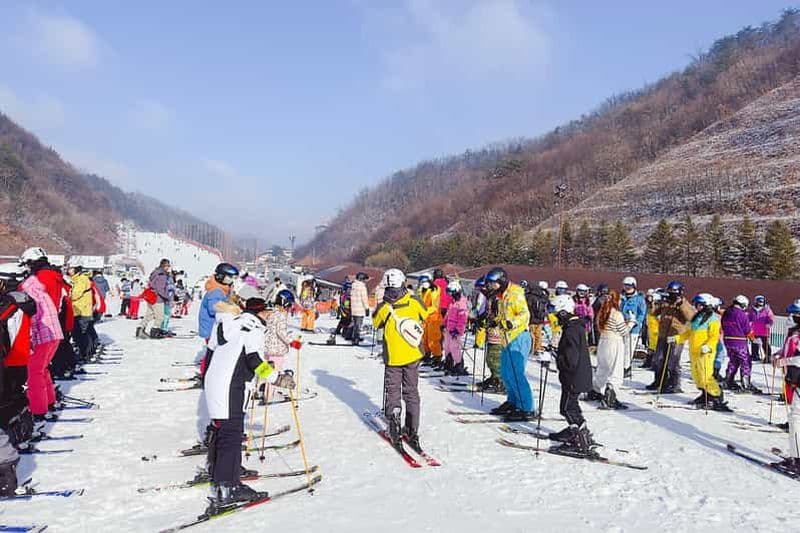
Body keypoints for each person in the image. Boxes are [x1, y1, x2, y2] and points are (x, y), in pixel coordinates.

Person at [204, 296, 296, 505]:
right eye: (268, 313)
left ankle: (221, 470)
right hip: (231, 385)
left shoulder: (229, 324)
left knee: (222, 429)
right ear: (260, 313)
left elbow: (210, 354)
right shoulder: (253, 328)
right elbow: (254, 360)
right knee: (231, 433)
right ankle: (228, 486)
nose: (269, 316)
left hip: (215, 381)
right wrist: (277, 378)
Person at [372, 269, 430, 450]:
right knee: (411, 392)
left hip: (393, 357)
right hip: (413, 353)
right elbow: (426, 315)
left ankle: (394, 430)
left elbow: (375, 323)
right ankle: (412, 430)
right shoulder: (414, 301)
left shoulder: (384, 307)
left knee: (393, 392)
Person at [18, 248, 64, 421]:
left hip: (44, 333)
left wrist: (29, 338)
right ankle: (49, 402)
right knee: (42, 369)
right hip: (54, 331)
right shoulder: (39, 284)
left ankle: (38, 410)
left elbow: (33, 316)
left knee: (33, 373)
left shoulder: (30, 288)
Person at [485, 268, 534, 422]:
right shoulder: (501, 296)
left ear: (502, 281)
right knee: (506, 373)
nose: (491, 286)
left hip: (518, 337)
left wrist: (511, 323)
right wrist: (495, 321)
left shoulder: (516, 293)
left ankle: (526, 408)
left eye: (493, 283)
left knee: (516, 374)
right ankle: (513, 402)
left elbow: (524, 314)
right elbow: (503, 315)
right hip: (506, 338)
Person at [549, 294, 595, 454]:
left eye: (557, 314)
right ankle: (578, 430)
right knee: (571, 406)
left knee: (567, 408)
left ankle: (579, 439)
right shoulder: (574, 326)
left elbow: (571, 358)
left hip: (574, 377)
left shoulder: (572, 330)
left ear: (563, 312)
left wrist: (558, 358)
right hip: (577, 375)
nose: (556, 317)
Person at [675, 293, 729, 411]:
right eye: (696, 305)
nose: (697, 307)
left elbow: (714, 336)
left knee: (705, 376)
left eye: (700, 305)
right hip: (694, 351)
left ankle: (716, 396)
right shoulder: (696, 318)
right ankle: (705, 394)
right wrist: (677, 339)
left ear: (706, 305)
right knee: (697, 376)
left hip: (705, 353)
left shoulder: (712, 319)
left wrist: (708, 346)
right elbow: (689, 333)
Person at [588, 289, 634, 409]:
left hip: (603, 341)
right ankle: (610, 397)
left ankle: (595, 390)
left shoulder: (603, 311)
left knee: (602, 369)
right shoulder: (616, 314)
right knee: (615, 371)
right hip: (614, 343)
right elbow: (623, 331)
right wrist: (631, 323)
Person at [648, 281, 694, 394]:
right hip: (663, 335)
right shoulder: (665, 302)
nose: (671, 296)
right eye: (669, 293)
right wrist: (651, 303)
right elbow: (653, 312)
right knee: (658, 359)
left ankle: (674, 384)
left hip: (676, 336)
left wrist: (680, 304)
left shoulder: (684, 304)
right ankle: (659, 381)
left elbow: (690, 317)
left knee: (673, 361)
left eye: (673, 293)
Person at [771, 299, 800, 474]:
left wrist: (783, 361)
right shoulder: (794, 333)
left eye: (795, 314)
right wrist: (779, 355)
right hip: (794, 380)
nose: (791, 317)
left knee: (795, 418)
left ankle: (797, 460)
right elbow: (789, 351)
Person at [262, 290, 295, 402]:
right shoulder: (281, 316)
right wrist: (292, 342)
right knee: (275, 374)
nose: (290, 309)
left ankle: (260, 389)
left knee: (265, 370)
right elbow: (281, 332)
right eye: (290, 306)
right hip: (277, 350)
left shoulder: (272, 313)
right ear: (286, 304)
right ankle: (269, 395)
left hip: (267, 347)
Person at [721, 295, 758, 393]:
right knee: (745, 362)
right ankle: (746, 384)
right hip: (739, 341)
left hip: (728, 340)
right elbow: (747, 329)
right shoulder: (741, 314)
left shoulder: (727, 312)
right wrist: (753, 338)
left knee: (733, 361)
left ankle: (728, 380)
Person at [198, 263, 238, 342]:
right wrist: (232, 309)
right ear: (220, 276)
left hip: (215, 328)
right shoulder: (216, 291)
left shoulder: (223, 289)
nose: (231, 279)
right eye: (229, 277)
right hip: (211, 329)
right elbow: (213, 309)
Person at [138, 259, 172, 339]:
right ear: (165, 266)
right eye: (168, 266)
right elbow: (161, 289)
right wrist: (167, 297)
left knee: (149, 314)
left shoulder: (155, 272)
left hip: (151, 297)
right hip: (158, 299)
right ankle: (155, 332)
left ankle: (140, 329)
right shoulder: (162, 275)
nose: (168, 268)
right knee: (160, 317)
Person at [620, 277, 647, 378]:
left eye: (629, 286)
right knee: (621, 348)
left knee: (628, 349)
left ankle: (626, 368)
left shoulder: (639, 299)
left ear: (634, 286)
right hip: (621, 326)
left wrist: (636, 322)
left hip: (633, 328)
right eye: (625, 285)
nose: (627, 288)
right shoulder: (621, 298)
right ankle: (619, 366)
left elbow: (642, 313)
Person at [69, 260, 95, 362]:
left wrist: (68, 294)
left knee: (80, 334)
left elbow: (75, 294)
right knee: (82, 333)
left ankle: (84, 354)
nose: (69, 271)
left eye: (71, 269)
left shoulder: (81, 279)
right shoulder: (79, 278)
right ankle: (85, 352)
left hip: (82, 311)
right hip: (81, 310)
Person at [443, 280, 469, 376]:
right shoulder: (452, 303)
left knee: (454, 347)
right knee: (447, 347)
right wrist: (444, 323)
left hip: (455, 330)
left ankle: (459, 365)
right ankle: (449, 363)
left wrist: (458, 330)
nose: (450, 296)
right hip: (449, 329)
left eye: (451, 293)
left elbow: (463, 319)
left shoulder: (461, 304)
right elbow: (448, 315)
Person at [418, 275, 443, 366]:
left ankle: (437, 356)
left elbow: (435, 307)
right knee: (424, 338)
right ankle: (426, 353)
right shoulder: (423, 291)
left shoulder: (434, 291)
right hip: (426, 318)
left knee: (433, 339)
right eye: (422, 282)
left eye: (425, 282)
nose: (423, 284)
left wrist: (424, 311)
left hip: (434, 319)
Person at [525, 281, 550, 355]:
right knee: (538, 335)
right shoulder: (542, 295)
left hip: (532, 319)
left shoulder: (529, 296)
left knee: (532, 335)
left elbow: (528, 307)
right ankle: (538, 348)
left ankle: (531, 350)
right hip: (541, 318)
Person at [748, 295, 774, 362]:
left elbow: (771, 317)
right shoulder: (752, 310)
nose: (760, 303)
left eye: (762, 302)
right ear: (756, 302)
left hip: (764, 330)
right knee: (754, 343)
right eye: (759, 301)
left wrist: (769, 323)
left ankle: (768, 357)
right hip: (754, 330)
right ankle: (755, 356)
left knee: (765, 344)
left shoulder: (767, 310)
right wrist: (748, 323)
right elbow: (749, 318)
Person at [349, 272, 370, 346]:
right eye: (364, 279)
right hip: (360, 308)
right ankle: (356, 340)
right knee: (358, 325)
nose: (365, 281)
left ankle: (352, 336)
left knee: (354, 324)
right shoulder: (362, 287)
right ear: (362, 279)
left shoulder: (353, 286)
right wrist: (367, 308)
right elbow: (364, 299)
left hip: (354, 308)